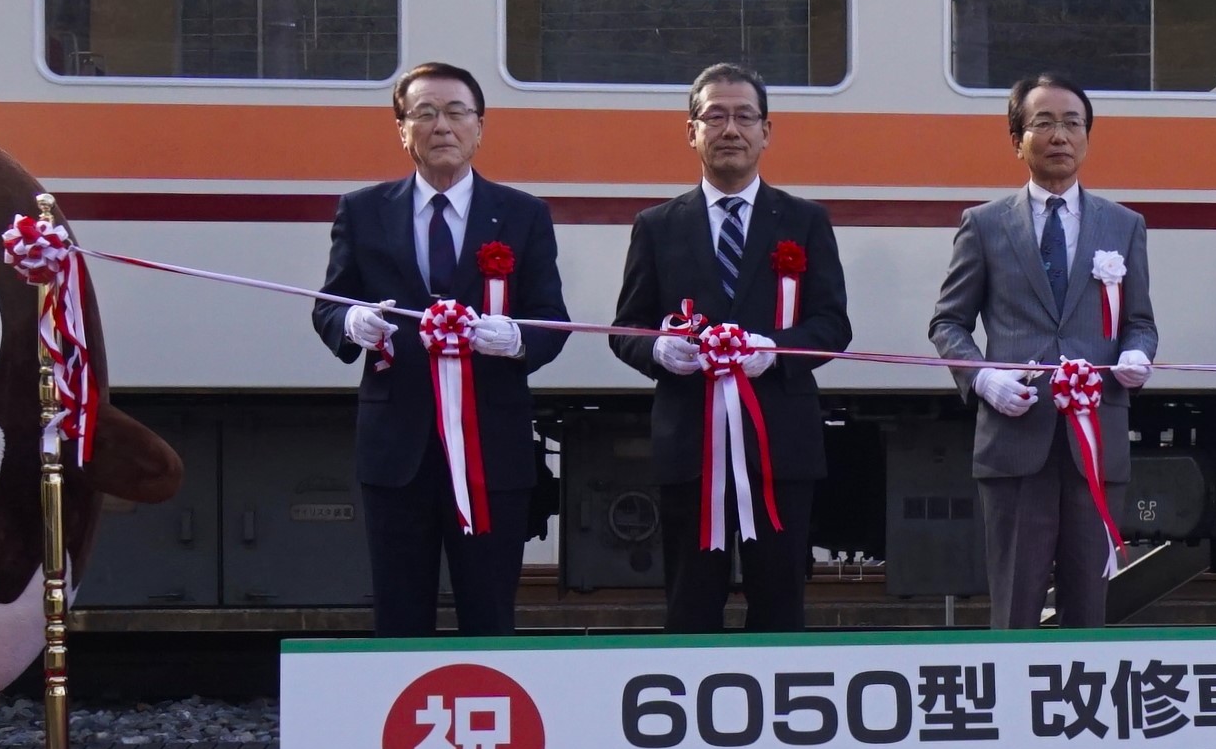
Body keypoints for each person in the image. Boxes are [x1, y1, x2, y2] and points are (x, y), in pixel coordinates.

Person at [311, 62, 570, 637]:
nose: (442, 126)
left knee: (489, 610)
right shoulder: (362, 210)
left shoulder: (524, 214)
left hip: (491, 449)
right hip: (396, 449)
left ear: (480, 126)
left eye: (456, 112)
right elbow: (327, 304)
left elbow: (554, 322)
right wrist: (351, 322)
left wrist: (517, 339)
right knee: (400, 615)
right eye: (424, 113)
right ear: (401, 130)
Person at [610, 62, 853, 633]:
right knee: (690, 607)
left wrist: (777, 348)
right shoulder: (657, 226)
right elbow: (626, 328)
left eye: (744, 116)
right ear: (690, 131)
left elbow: (832, 325)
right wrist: (658, 351)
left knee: (780, 606)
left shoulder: (805, 222)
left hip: (780, 448)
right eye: (714, 116)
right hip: (691, 448)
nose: (730, 130)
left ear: (767, 131)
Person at [930, 72, 1158, 631]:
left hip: (1095, 440)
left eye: (1073, 123)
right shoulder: (983, 226)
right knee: (1015, 604)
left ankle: (1080, 711)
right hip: (1015, 440)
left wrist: (1136, 356)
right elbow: (948, 322)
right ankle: (1010, 710)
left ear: (1087, 138)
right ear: (1017, 140)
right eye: (1044, 123)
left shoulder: (1123, 225)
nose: (1060, 135)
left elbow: (1141, 322)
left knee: (1089, 606)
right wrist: (983, 379)